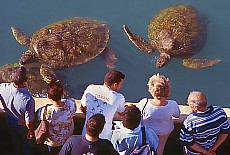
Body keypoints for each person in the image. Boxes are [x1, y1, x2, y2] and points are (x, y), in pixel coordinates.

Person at [136, 73, 180, 155]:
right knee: (160, 147)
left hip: (148, 131)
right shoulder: (172, 104)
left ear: (151, 89)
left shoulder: (144, 103)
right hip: (164, 130)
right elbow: (177, 115)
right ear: (167, 90)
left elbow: (136, 113)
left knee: (147, 147)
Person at [80, 69, 126, 140]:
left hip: (86, 135)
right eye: (121, 84)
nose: (121, 86)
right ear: (115, 85)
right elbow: (121, 113)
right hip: (104, 139)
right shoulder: (119, 97)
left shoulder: (90, 88)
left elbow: (82, 106)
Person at [0, 65, 35, 155]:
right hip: (21, 124)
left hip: (9, 119)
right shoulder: (28, 99)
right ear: (25, 80)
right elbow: (29, 122)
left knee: (14, 139)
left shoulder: (2, 88)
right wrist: (31, 131)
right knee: (26, 142)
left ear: (11, 77)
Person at [37, 80, 77, 155]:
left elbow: (40, 118)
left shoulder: (44, 111)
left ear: (48, 96)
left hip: (53, 142)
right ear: (62, 94)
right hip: (67, 139)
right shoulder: (71, 104)